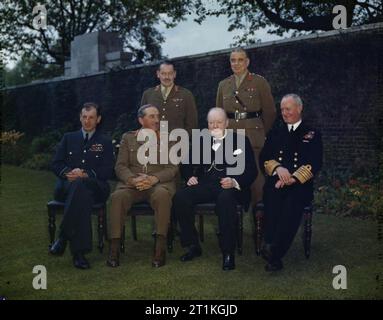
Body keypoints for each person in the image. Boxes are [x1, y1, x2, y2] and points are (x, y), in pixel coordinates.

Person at [173, 108, 257, 271]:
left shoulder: (240, 140)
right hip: (206, 185)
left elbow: (251, 170)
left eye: (219, 122)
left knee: (226, 200)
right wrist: (190, 176)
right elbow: (186, 163)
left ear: (226, 123)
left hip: (229, 186)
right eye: (211, 122)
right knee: (181, 197)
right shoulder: (201, 140)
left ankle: (228, 252)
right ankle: (192, 245)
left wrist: (234, 181)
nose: (215, 126)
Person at [107, 104, 178, 268]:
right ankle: (114, 248)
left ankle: (160, 249)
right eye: (152, 116)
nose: (156, 119)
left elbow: (172, 168)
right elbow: (120, 166)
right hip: (134, 185)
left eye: (157, 116)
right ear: (141, 119)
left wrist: (154, 178)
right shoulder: (128, 138)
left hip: (159, 184)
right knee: (117, 197)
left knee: (162, 196)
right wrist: (132, 180)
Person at [260, 94, 323, 271]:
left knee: (291, 204)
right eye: (282, 110)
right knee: (271, 197)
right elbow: (264, 158)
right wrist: (278, 169)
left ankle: (275, 252)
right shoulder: (275, 132)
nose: (285, 113)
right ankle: (270, 241)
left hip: (300, 185)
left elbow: (315, 163)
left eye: (288, 109)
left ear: (299, 108)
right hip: (277, 181)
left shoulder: (311, 134)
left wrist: (292, 179)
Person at [50, 102, 114, 269]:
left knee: (81, 188)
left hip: (96, 187)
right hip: (67, 186)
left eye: (91, 117)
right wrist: (68, 173)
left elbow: (108, 171)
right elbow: (56, 163)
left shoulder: (105, 141)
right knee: (80, 192)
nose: (87, 121)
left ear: (98, 119)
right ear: (80, 117)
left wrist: (86, 174)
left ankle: (63, 236)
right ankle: (79, 253)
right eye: (84, 117)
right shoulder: (68, 138)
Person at [216, 48, 276, 213]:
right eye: (233, 60)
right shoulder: (223, 85)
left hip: (252, 135)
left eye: (240, 60)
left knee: (256, 180)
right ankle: (231, 221)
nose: (236, 63)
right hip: (230, 137)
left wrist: (261, 131)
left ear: (247, 62)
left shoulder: (259, 82)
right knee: (230, 177)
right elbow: (219, 113)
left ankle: (261, 223)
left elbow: (270, 112)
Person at [141, 60, 198, 136]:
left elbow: (192, 124)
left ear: (174, 74)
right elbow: (143, 121)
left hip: (178, 144)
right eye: (163, 73)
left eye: (170, 73)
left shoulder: (186, 95)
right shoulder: (148, 94)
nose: (166, 77)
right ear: (158, 74)